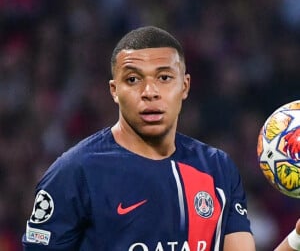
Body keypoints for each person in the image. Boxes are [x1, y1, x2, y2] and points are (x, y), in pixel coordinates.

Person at [22, 26, 300, 250]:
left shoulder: (217, 168)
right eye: (133, 80)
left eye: (164, 77)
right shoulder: (74, 173)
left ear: (185, 86)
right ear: (114, 90)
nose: (150, 91)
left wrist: (297, 238)